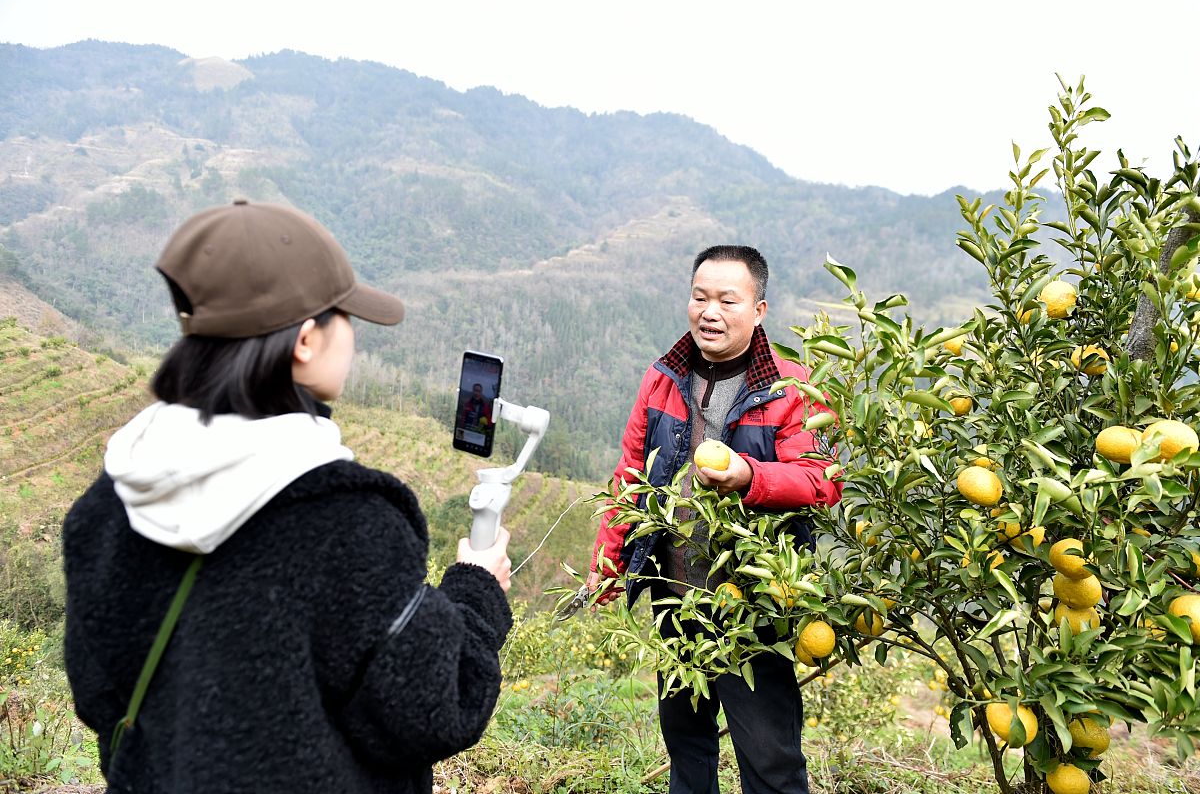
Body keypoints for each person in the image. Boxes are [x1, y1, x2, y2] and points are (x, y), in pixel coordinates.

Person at [62, 199, 513, 793]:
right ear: (305, 341)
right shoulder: (348, 523)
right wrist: (477, 588)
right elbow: (438, 706)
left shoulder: (109, 504)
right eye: (343, 317)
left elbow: (99, 695)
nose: (351, 335)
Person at [586, 245, 842, 794]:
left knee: (770, 757)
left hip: (753, 604)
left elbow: (823, 480)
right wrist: (609, 560)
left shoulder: (791, 388)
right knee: (687, 746)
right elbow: (630, 472)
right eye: (700, 297)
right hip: (674, 596)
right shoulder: (662, 378)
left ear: (759, 310)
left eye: (728, 300)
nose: (710, 312)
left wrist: (751, 476)